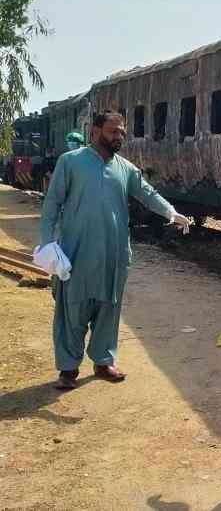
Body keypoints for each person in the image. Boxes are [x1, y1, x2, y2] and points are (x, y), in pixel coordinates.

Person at [39, 111, 191, 389]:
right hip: (76, 253)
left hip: (115, 254)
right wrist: (46, 242)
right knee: (73, 309)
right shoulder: (70, 162)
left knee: (109, 307)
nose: (119, 137)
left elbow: (147, 194)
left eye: (122, 132)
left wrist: (171, 212)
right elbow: (52, 203)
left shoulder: (125, 168)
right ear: (95, 131)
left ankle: (103, 361)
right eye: (113, 131)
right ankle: (68, 369)